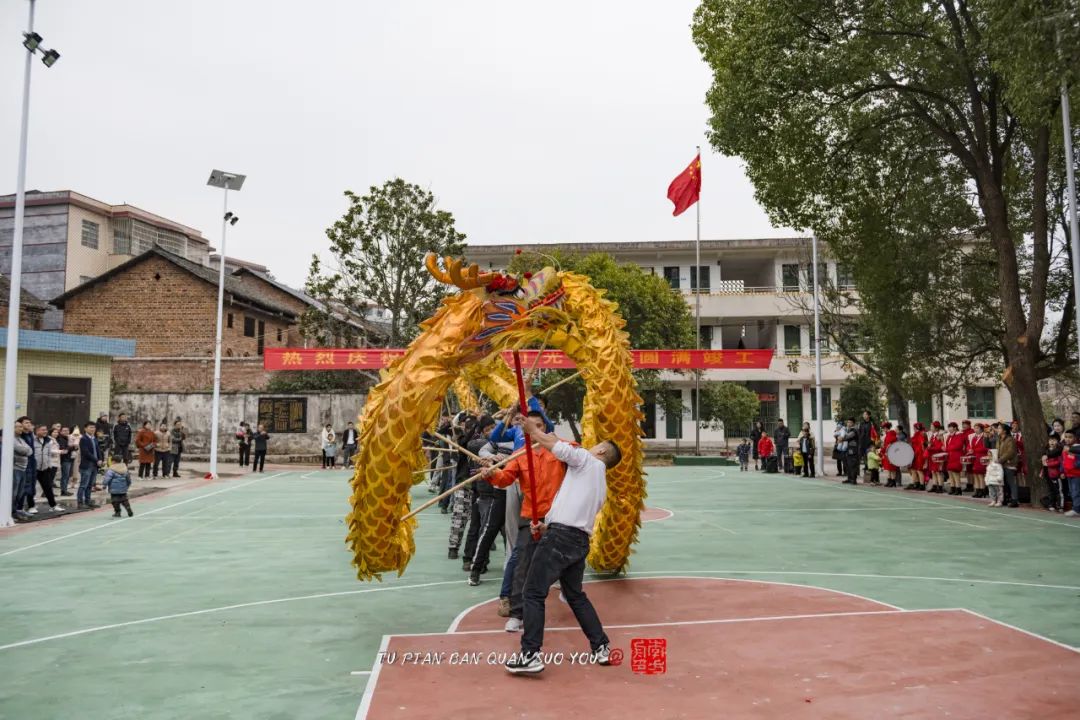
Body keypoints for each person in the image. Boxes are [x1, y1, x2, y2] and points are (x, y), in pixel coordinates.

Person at [503, 422, 620, 674]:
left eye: (596, 446)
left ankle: (530, 654)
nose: (591, 447)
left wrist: (531, 431)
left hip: (561, 539)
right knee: (575, 595)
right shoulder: (597, 482)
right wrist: (547, 527)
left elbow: (561, 449)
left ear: (601, 452)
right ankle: (601, 646)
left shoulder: (589, 462)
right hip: (576, 540)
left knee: (533, 593)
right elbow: (575, 514)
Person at [481, 410, 568, 633]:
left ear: (545, 428)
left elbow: (580, 456)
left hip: (558, 518)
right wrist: (491, 473)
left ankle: (571, 593)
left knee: (567, 564)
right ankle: (517, 613)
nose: (536, 430)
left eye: (540, 426)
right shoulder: (519, 455)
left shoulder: (561, 450)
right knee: (522, 565)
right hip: (531, 517)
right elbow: (504, 479)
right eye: (532, 427)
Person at [78, 422, 102, 509]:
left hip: (95, 465)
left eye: (94, 427)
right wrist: (96, 460)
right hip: (87, 464)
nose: (93, 429)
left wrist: (100, 459)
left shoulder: (94, 438)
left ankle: (88, 501)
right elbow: (86, 452)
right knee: (83, 484)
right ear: (85, 428)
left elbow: (98, 450)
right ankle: (80, 502)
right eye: (91, 427)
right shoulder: (83, 439)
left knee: (90, 485)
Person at [996, 423, 1019, 508]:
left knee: (1011, 482)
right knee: (1004, 482)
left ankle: (1014, 500)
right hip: (1001, 464)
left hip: (1009, 463)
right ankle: (1005, 498)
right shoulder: (999, 439)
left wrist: (1000, 459)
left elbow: (1010, 452)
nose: (997, 430)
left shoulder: (1010, 439)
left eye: (999, 428)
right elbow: (997, 450)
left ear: (1004, 431)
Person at [1042, 435, 1063, 512]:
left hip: (1056, 474)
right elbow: (1043, 463)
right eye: (1050, 440)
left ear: (1058, 442)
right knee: (1050, 490)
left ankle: (1060, 505)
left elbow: (1059, 462)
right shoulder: (1046, 451)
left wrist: (1048, 464)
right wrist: (1042, 472)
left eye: (1054, 440)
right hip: (1048, 473)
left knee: (1058, 490)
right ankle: (1051, 504)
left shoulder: (1059, 451)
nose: (1052, 442)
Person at [944, 422, 966, 495]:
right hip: (950, 456)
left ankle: (958, 488)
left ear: (955, 428)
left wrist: (948, 448)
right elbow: (947, 445)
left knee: (955, 472)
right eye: (949, 427)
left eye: (951, 427)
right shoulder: (950, 436)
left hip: (956, 455)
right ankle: (953, 487)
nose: (949, 429)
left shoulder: (959, 435)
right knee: (950, 472)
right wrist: (947, 448)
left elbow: (958, 445)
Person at [969, 423, 990, 499]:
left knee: (980, 475)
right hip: (975, 457)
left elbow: (985, 448)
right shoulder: (974, 437)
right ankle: (977, 490)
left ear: (981, 429)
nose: (975, 430)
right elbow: (972, 446)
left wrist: (973, 450)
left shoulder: (984, 437)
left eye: (977, 428)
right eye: (975, 428)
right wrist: (971, 450)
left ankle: (982, 490)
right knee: (975, 474)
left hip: (981, 457)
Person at [927, 422, 947, 493]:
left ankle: (940, 486)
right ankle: (935, 485)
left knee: (939, 472)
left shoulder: (940, 436)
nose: (930, 428)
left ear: (936, 428)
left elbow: (940, 447)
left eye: (932, 427)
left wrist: (930, 448)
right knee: (933, 472)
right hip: (932, 456)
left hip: (938, 457)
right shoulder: (932, 436)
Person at [907, 422, 928, 491]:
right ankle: (916, 483)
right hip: (914, 454)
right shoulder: (916, 434)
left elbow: (921, 446)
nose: (913, 429)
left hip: (919, 454)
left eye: (914, 427)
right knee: (913, 469)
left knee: (919, 470)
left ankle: (922, 485)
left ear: (917, 428)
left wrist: (916, 453)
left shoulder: (921, 434)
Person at [880, 421, 899, 487]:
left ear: (886, 428)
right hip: (888, 453)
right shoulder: (889, 434)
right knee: (889, 468)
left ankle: (892, 481)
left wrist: (883, 450)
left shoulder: (890, 434)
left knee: (891, 468)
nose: (883, 429)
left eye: (883, 428)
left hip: (890, 453)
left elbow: (889, 444)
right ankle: (890, 481)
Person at [57, 426, 74, 497]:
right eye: (64, 430)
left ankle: (65, 489)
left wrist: (74, 447)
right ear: (60, 432)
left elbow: (70, 448)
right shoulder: (60, 439)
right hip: (64, 459)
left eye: (67, 430)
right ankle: (63, 490)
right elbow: (64, 449)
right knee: (65, 475)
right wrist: (71, 446)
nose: (66, 432)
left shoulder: (68, 438)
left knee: (67, 476)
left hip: (69, 458)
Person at [842, 418, 860, 484]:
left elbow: (847, 437)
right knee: (848, 465)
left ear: (853, 423)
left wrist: (841, 438)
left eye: (850, 422)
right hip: (849, 449)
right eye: (848, 422)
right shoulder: (849, 430)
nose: (848, 423)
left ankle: (853, 479)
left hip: (854, 450)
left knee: (853, 465)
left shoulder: (854, 430)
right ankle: (849, 478)